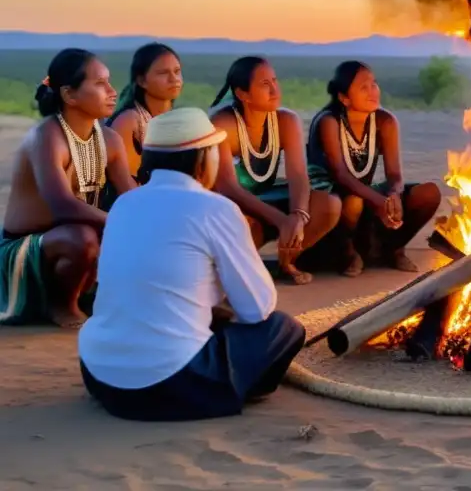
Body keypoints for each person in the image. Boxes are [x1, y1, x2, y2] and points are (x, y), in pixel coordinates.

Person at [78, 108, 305, 421]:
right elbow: (257, 308)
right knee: (283, 327)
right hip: (171, 385)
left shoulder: (123, 205)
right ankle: (239, 388)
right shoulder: (216, 208)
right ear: (203, 158)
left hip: (100, 375)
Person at [1, 49, 135, 328]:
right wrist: (117, 222)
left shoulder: (109, 140)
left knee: (135, 233)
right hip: (26, 249)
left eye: (109, 81)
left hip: (74, 239)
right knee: (83, 237)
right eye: (99, 84)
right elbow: (61, 204)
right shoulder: (46, 136)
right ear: (69, 95)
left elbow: (132, 198)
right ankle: (61, 305)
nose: (112, 91)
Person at [209, 57, 341, 285]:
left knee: (329, 205)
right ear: (243, 94)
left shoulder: (286, 120)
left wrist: (298, 216)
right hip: (234, 205)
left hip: (268, 195)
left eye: (275, 80)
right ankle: (241, 269)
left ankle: (286, 261)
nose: (274, 89)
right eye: (264, 84)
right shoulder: (223, 124)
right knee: (248, 228)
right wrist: (282, 220)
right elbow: (227, 187)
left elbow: (298, 175)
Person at [307, 61, 441, 276]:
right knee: (353, 202)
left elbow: (394, 174)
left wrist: (394, 194)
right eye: (363, 87)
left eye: (374, 84)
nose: (373, 91)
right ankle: (349, 253)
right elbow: (340, 175)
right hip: (332, 201)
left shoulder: (385, 121)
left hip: (365, 195)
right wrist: (379, 201)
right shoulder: (329, 122)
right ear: (344, 98)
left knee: (428, 193)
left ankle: (394, 249)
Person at [107, 42, 183, 181]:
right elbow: (123, 184)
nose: (174, 79)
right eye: (163, 73)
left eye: (177, 71)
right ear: (142, 81)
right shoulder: (129, 121)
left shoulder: (178, 119)